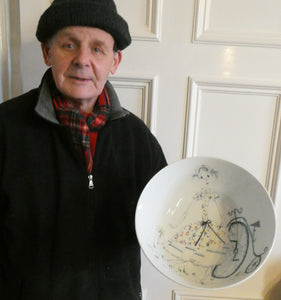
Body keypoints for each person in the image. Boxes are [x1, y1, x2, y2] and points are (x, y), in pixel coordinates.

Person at [0, 0, 167, 299]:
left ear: (114, 62)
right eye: (68, 45)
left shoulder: (137, 140)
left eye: (98, 49)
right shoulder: (5, 128)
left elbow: (167, 221)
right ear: (47, 52)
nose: (82, 60)